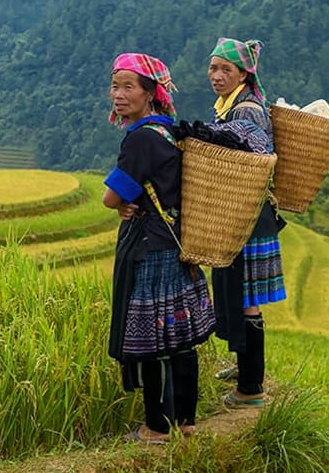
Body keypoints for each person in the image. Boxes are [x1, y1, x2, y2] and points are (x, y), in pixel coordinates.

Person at [103, 52, 216, 443]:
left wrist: (121, 204)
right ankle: (185, 422)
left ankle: (155, 427)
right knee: (180, 340)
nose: (118, 95)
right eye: (115, 86)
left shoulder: (139, 140)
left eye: (128, 87)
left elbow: (111, 197)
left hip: (151, 249)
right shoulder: (168, 131)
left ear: (150, 93)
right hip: (177, 245)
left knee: (150, 342)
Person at [206, 37, 286, 408]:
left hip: (250, 218)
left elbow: (254, 164)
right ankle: (243, 366)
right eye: (213, 68)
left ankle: (250, 388)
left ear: (243, 74)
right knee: (236, 293)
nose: (217, 76)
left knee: (247, 300)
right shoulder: (229, 106)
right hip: (240, 216)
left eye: (226, 70)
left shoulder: (247, 111)